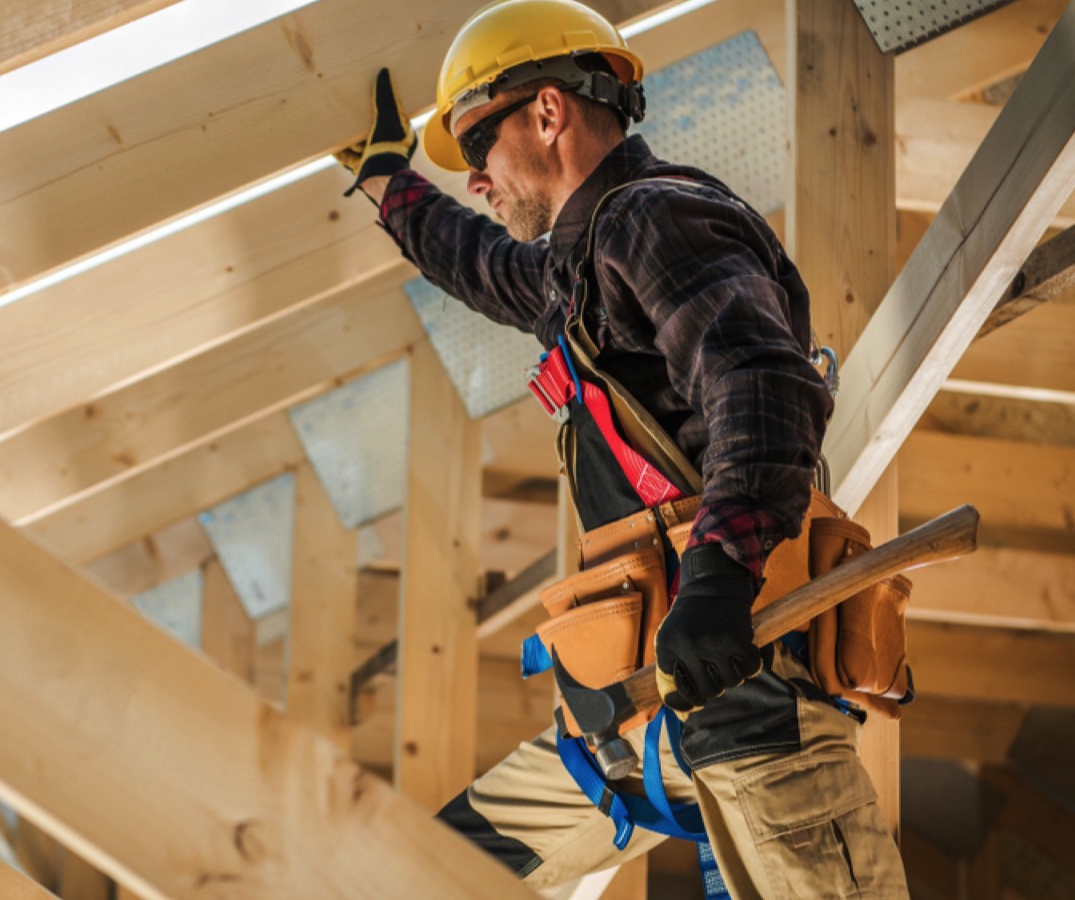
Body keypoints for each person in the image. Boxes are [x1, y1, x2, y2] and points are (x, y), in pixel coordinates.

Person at [336, 1, 910, 896]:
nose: (476, 182)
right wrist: (387, 185)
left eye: (476, 149)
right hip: (637, 725)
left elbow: (759, 384)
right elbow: (480, 263)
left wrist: (719, 579)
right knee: (416, 875)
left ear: (548, 113)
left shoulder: (654, 220)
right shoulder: (580, 268)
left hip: (752, 716)